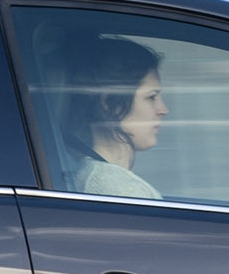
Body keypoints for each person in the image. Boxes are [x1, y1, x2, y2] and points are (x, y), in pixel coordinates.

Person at [52, 35, 169, 196]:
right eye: (151, 97)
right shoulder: (119, 190)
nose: (163, 110)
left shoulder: (93, 175)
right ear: (110, 104)